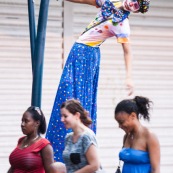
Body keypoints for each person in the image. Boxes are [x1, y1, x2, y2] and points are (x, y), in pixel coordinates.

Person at [46, 0, 150, 162]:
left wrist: (129, 77)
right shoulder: (110, 2)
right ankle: (58, 149)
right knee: (65, 94)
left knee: (76, 99)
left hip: (88, 54)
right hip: (78, 50)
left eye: (137, 6)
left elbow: (127, 52)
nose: (132, 4)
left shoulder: (122, 24)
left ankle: (77, 150)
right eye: (134, 0)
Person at [114, 96, 160, 173]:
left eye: (121, 122)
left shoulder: (149, 136)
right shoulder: (126, 137)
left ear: (133, 116)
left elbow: (155, 169)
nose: (119, 126)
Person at [61, 99, 104, 172]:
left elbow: (94, 165)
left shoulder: (87, 136)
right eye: (61, 116)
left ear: (77, 115)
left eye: (65, 116)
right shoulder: (68, 138)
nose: (62, 119)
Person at [8, 106, 55, 173]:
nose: (22, 124)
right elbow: (13, 167)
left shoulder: (44, 145)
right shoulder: (21, 141)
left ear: (37, 123)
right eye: (22, 121)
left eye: (26, 121)